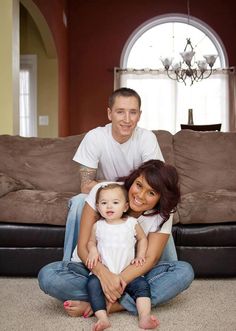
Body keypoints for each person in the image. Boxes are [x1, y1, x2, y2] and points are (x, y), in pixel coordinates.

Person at [38, 160, 194, 319]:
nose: (140, 195)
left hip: (133, 274)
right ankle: (133, 301)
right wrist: (103, 275)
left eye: (151, 193)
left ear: (161, 199)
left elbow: (150, 259)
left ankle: (105, 305)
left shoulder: (163, 213)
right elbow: (84, 247)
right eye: (139, 185)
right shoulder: (105, 192)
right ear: (134, 179)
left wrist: (116, 282)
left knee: (184, 272)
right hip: (93, 271)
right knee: (48, 276)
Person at [63, 87, 178, 262]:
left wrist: (121, 188)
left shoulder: (146, 138)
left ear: (139, 115)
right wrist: (125, 192)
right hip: (106, 198)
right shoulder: (95, 137)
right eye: (120, 112)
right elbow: (86, 185)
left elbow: (157, 182)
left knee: (162, 210)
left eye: (132, 112)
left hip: (137, 198)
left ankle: (165, 267)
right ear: (109, 114)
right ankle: (71, 266)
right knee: (79, 201)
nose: (127, 119)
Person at [86, 183, 159, 330]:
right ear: (98, 207)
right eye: (104, 203)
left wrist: (140, 255)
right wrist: (93, 251)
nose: (109, 207)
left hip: (128, 274)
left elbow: (142, 239)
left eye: (115, 202)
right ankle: (102, 318)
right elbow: (90, 242)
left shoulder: (131, 223)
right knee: (91, 285)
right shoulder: (98, 225)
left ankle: (144, 317)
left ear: (125, 207)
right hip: (104, 277)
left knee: (143, 286)